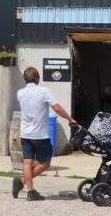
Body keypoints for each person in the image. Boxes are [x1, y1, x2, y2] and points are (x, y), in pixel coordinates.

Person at [13, 66, 76, 201]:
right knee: (45, 163)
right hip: (40, 135)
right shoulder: (44, 92)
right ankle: (22, 182)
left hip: (25, 134)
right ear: (38, 78)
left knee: (27, 162)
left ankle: (30, 191)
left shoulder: (20, 93)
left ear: (25, 79)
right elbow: (57, 108)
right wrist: (69, 119)